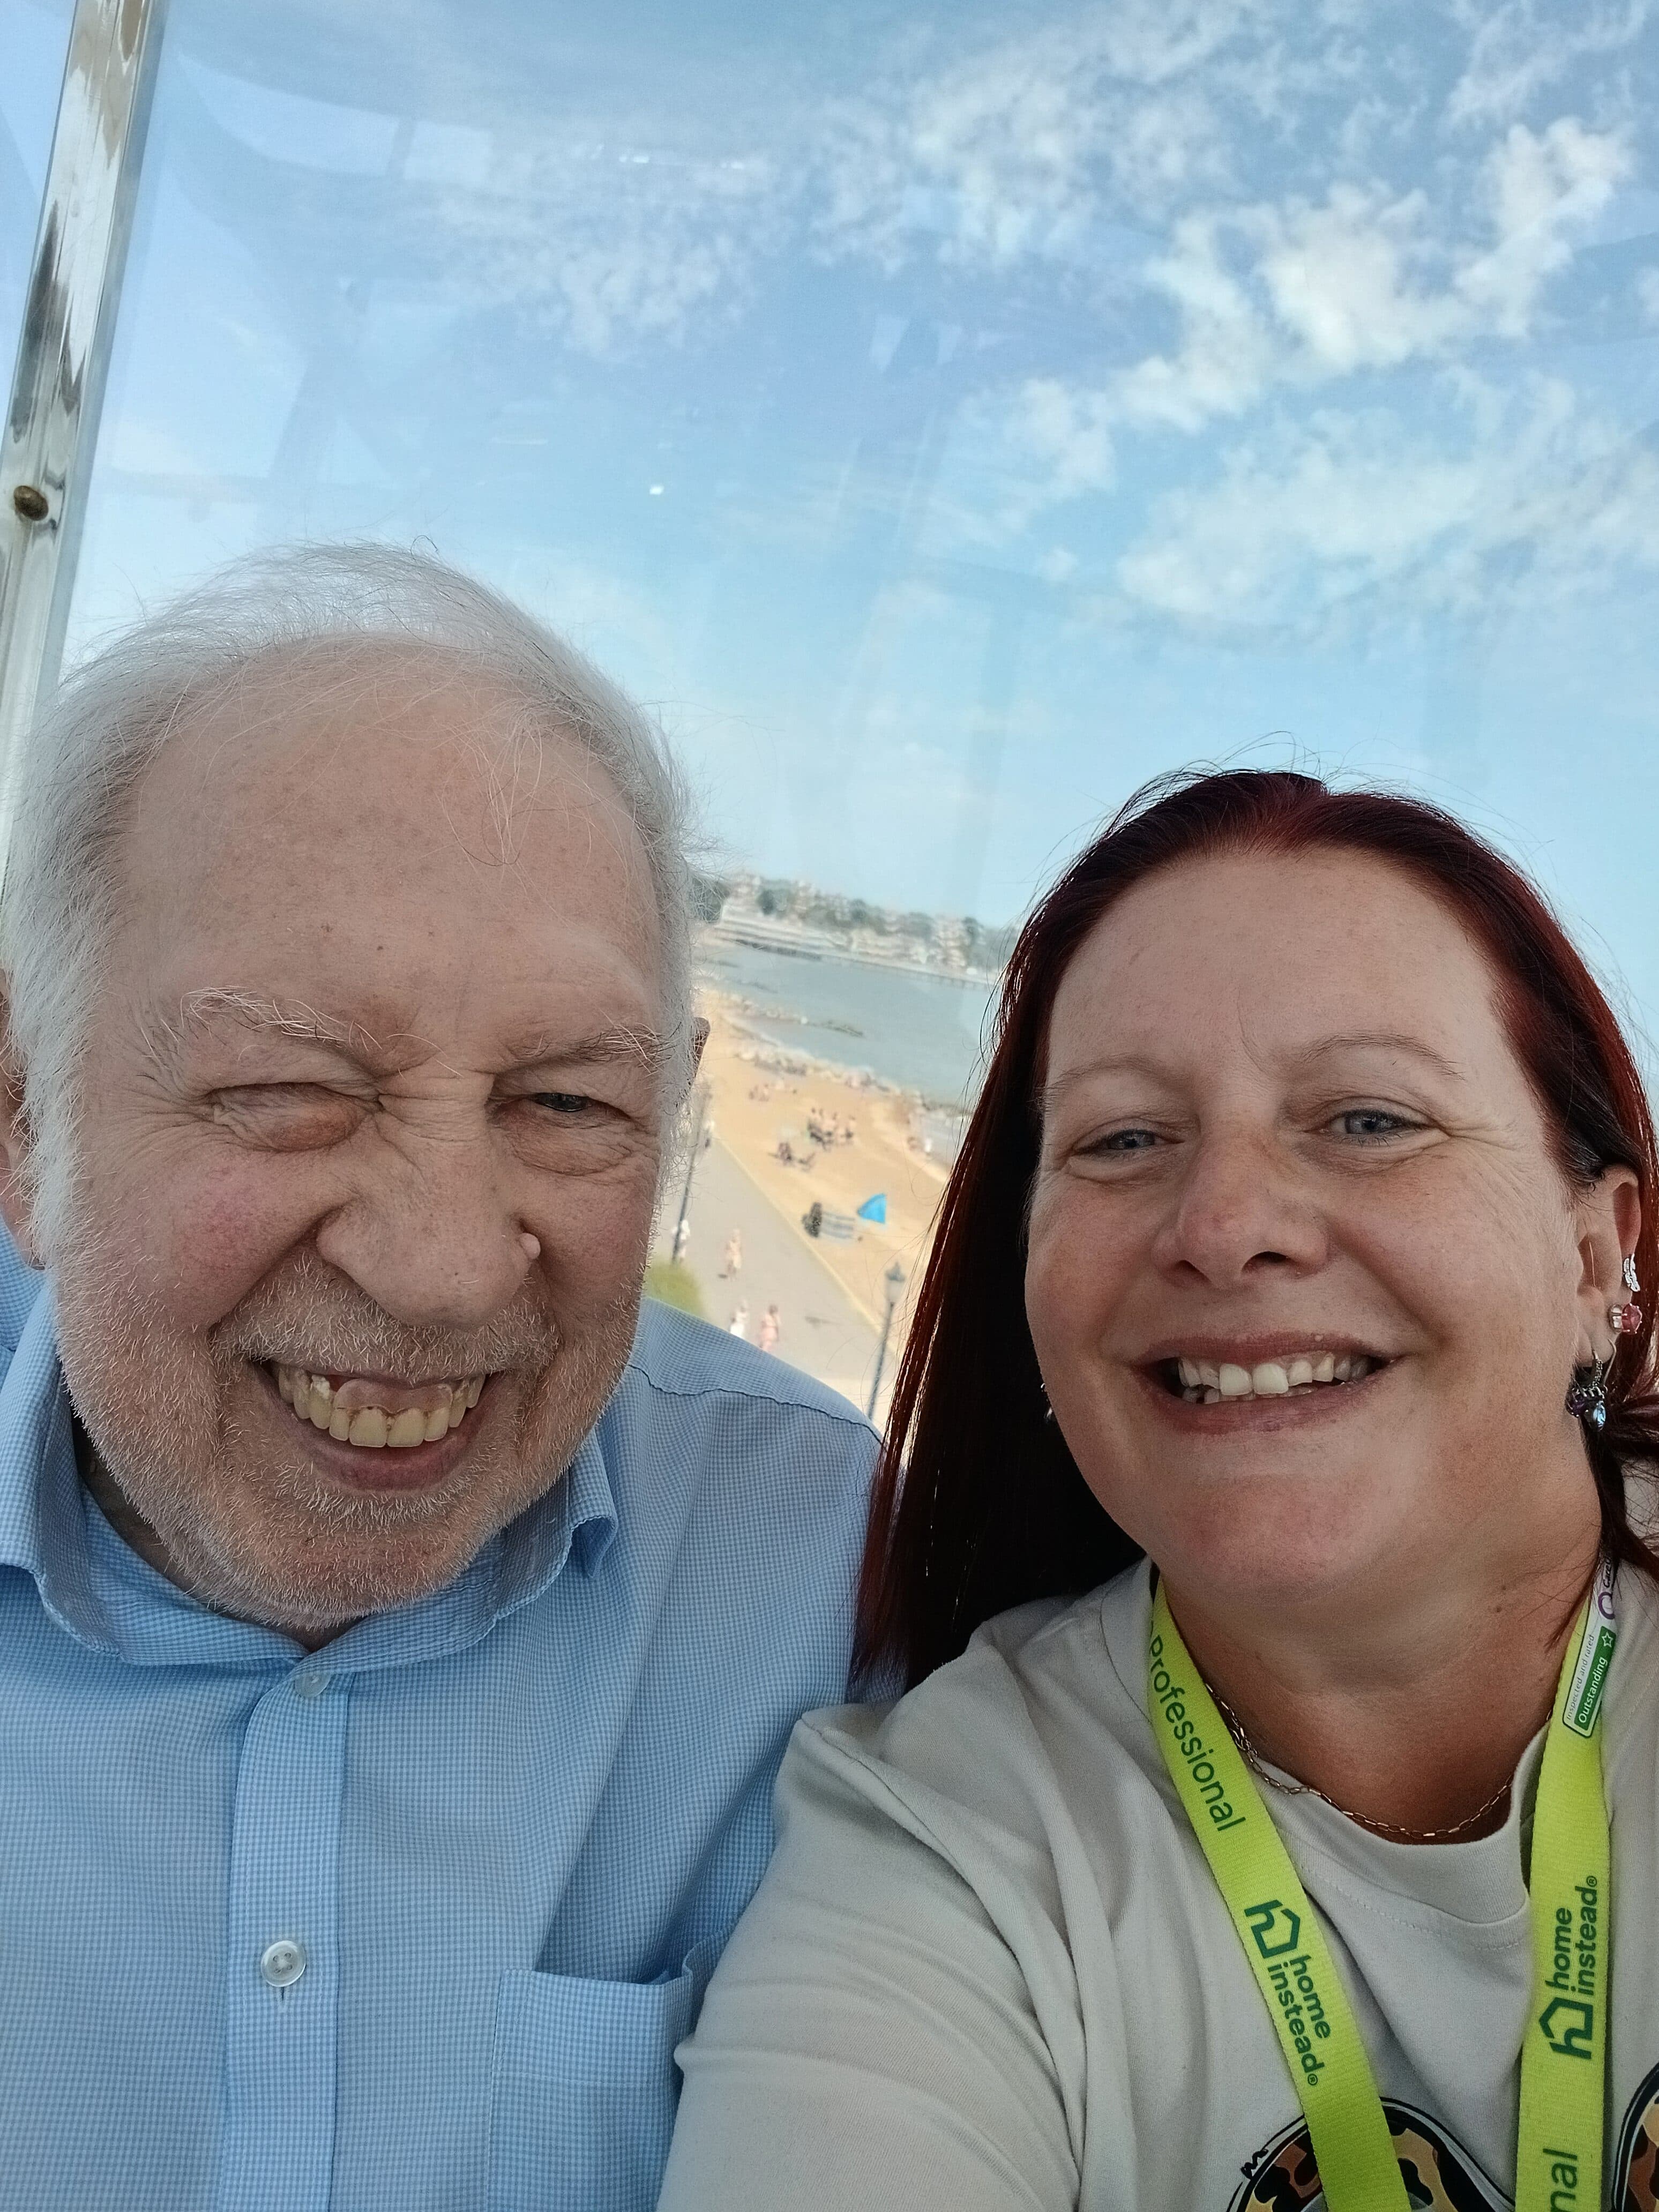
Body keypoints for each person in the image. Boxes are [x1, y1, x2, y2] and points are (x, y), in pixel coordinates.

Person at [0, 543, 877, 2212]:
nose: (448, 1266)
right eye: (290, 1088)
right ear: (25, 1114)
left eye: (566, 1108)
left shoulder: (835, 1573)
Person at [662, 768, 1659, 2211]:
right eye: (1125, 1139)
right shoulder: (955, 1852)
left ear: (1597, 1258)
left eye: (1368, 1119)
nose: (1226, 1225)